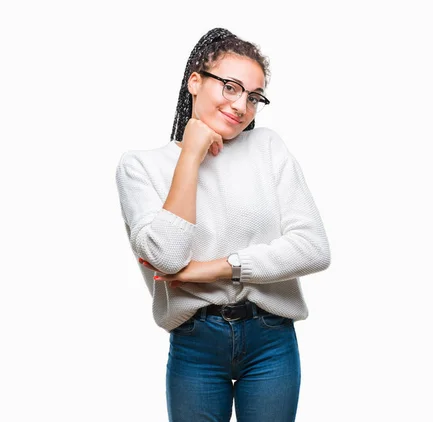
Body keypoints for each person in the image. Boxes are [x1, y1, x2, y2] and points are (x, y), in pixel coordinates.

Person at [115, 27, 331, 422]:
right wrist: (191, 153)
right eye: (230, 87)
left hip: (271, 338)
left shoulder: (267, 147)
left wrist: (210, 269)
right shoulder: (140, 166)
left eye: (253, 97)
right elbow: (166, 254)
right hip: (195, 343)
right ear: (194, 81)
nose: (241, 105)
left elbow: (314, 248)